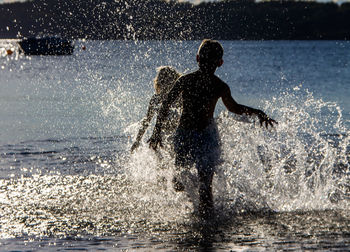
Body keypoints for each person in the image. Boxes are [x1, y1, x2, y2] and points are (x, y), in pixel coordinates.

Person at [148, 39, 277, 218]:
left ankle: (204, 218)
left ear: (198, 58)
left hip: (195, 134)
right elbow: (235, 108)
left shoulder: (198, 82)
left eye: (209, 61)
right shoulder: (209, 84)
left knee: (195, 179)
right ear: (220, 63)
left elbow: (165, 106)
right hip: (198, 134)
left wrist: (156, 133)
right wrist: (258, 112)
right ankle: (203, 217)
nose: (208, 65)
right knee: (192, 181)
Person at [131, 66, 181, 152]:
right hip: (160, 136)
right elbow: (147, 121)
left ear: (174, 81)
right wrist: (137, 140)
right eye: (163, 80)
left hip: (177, 136)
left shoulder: (180, 98)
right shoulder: (155, 99)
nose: (165, 83)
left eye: (168, 80)